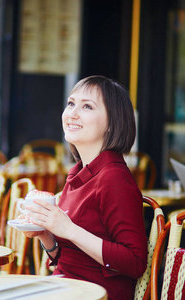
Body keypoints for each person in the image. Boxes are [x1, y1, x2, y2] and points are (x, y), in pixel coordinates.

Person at [21, 75, 148, 300]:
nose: (72, 113)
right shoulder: (78, 173)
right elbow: (70, 259)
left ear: (112, 124)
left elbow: (135, 262)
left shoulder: (114, 178)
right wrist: (46, 235)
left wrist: (68, 229)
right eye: (71, 103)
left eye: (87, 106)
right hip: (66, 288)